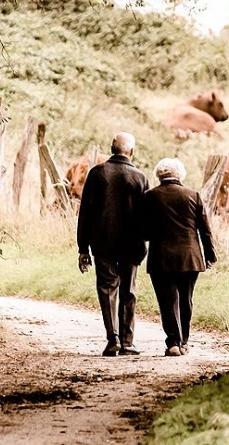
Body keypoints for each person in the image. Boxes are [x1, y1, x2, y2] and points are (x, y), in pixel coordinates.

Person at [77, 132, 149, 357]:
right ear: (132, 152)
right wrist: (144, 240)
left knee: (107, 289)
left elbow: (85, 213)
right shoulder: (140, 177)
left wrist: (82, 248)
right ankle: (128, 342)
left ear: (111, 149)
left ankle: (113, 339)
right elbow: (146, 217)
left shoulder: (97, 174)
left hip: (102, 243)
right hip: (132, 244)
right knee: (128, 291)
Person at [143, 158, 217, 357]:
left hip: (161, 257)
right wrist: (210, 255)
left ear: (159, 175)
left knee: (167, 301)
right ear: (180, 175)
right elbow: (205, 230)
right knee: (186, 299)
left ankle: (173, 342)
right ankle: (184, 341)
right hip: (190, 256)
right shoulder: (193, 195)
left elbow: (144, 231)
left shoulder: (150, 196)